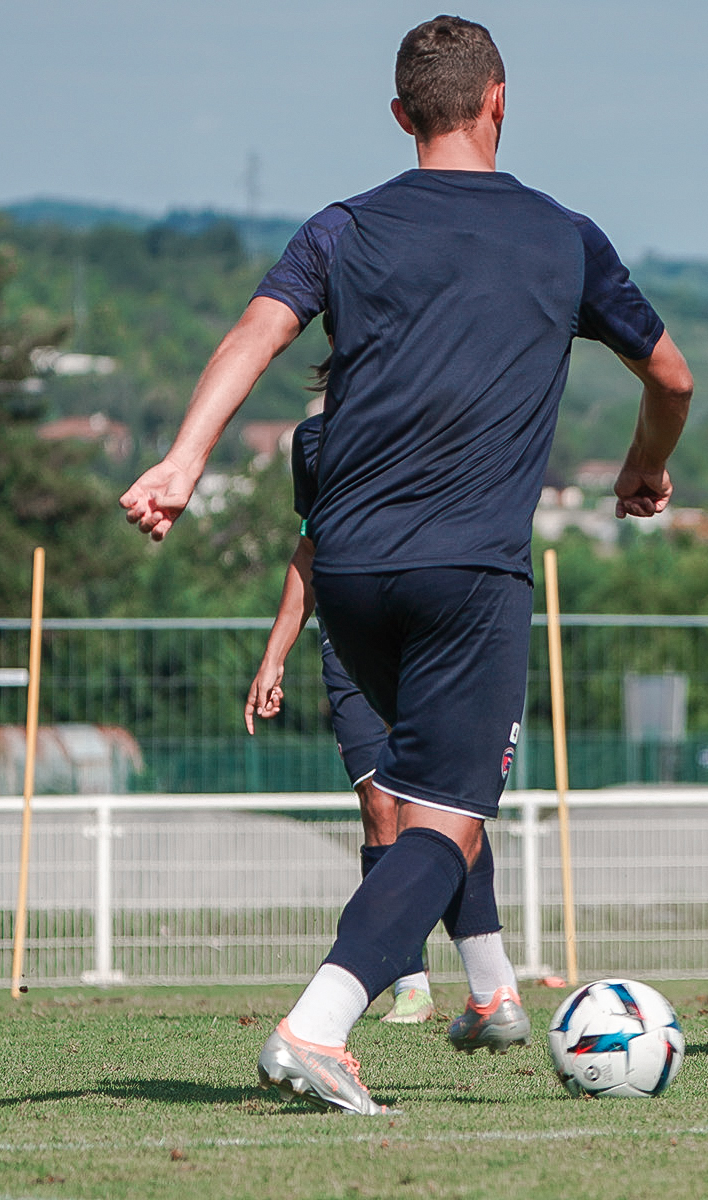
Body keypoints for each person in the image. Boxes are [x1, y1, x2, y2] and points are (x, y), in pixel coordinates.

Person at [122, 16, 693, 1114]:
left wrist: (185, 459)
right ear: (499, 102)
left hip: (346, 573)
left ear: (400, 116)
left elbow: (255, 332)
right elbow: (668, 376)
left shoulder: (344, 227)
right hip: (465, 573)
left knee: (414, 809)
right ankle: (318, 1027)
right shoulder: (563, 236)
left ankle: (479, 996)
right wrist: (644, 468)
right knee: (445, 821)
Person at [244, 369, 434, 1025]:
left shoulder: (429, 424)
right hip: (348, 643)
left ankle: (492, 976)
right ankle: (409, 975)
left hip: (427, 634)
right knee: (379, 801)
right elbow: (311, 548)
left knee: (438, 807)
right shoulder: (313, 443)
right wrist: (274, 657)